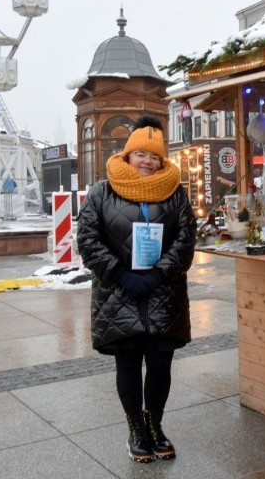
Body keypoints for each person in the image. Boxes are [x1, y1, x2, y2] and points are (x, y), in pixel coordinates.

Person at [77, 115, 196, 464]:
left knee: (160, 366)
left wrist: (158, 275)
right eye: (141, 154)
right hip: (118, 294)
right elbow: (88, 239)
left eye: (154, 156)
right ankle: (135, 430)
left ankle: (155, 426)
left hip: (164, 296)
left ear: (162, 160)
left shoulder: (175, 193)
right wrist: (121, 274)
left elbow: (186, 239)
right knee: (128, 366)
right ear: (128, 155)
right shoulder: (102, 192)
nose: (147, 161)